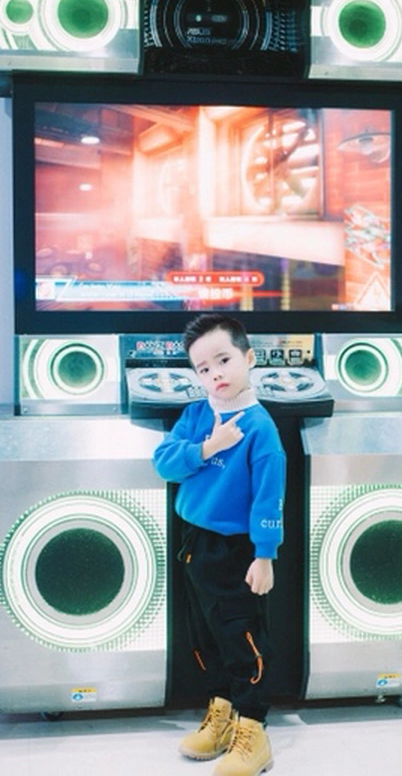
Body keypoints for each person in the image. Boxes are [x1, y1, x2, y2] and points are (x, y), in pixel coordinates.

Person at [153, 313, 286, 776]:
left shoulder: (260, 428)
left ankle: (253, 729)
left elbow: (269, 495)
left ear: (249, 358)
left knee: (242, 638)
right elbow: (165, 463)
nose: (216, 374)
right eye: (204, 368)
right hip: (194, 543)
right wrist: (209, 446)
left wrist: (264, 555)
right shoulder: (196, 416)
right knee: (204, 635)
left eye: (224, 360)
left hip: (237, 551)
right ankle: (222, 714)